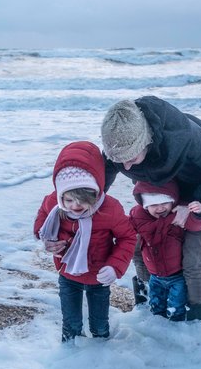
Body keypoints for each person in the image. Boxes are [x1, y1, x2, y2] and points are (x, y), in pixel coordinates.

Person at [100, 96, 201, 325]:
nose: (127, 167)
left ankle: (196, 323)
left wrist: (195, 205)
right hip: (157, 195)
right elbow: (103, 175)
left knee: (190, 259)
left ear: (145, 141)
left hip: (200, 190)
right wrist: (85, 206)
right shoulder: (120, 144)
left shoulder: (187, 137)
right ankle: (149, 307)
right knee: (140, 247)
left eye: (131, 159)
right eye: (120, 161)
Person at [34, 141, 136, 343]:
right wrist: (45, 239)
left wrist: (114, 267)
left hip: (98, 277)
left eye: (83, 199)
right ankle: (70, 356)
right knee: (71, 323)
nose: (76, 206)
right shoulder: (54, 202)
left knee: (99, 324)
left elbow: (128, 237)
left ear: (96, 190)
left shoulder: (110, 208)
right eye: (69, 200)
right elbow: (42, 219)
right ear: (61, 194)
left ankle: (101, 351)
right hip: (67, 273)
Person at [129, 180, 201, 321]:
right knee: (156, 304)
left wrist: (199, 213)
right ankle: (157, 324)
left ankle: (176, 326)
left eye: (164, 203)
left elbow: (197, 225)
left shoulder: (178, 215)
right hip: (154, 276)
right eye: (154, 204)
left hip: (176, 277)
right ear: (145, 206)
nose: (160, 208)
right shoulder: (138, 217)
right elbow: (125, 229)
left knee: (176, 306)